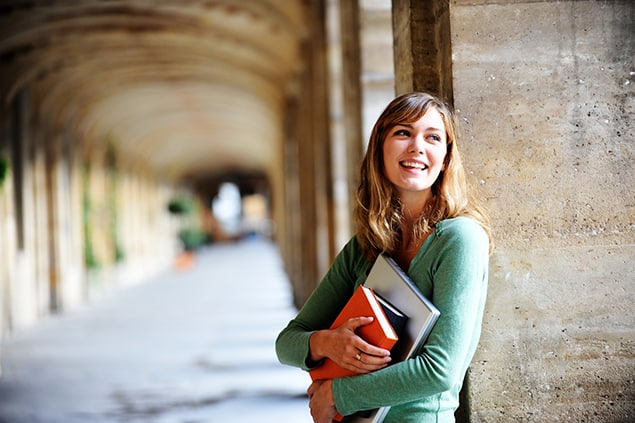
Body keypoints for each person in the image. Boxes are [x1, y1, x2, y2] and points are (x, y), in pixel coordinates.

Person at [276, 92, 491, 423]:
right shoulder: (364, 246)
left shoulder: (459, 239)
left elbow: (440, 371)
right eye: (403, 132)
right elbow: (287, 343)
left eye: (433, 137)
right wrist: (327, 343)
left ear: (446, 158)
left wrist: (337, 395)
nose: (417, 146)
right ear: (379, 148)